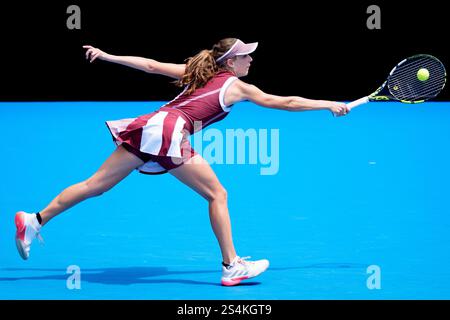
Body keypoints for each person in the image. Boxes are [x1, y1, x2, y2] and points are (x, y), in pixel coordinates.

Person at [14, 38, 349, 286]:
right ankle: (231, 265)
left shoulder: (198, 72)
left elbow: (150, 65)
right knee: (217, 194)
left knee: (94, 185)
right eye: (246, 56)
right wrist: (327, 103)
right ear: (230, 63)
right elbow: (285, 102)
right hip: (170, 132)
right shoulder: (237, 87)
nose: (250, 60)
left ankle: (34, 220)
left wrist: (107, 56)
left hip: (150, 124)